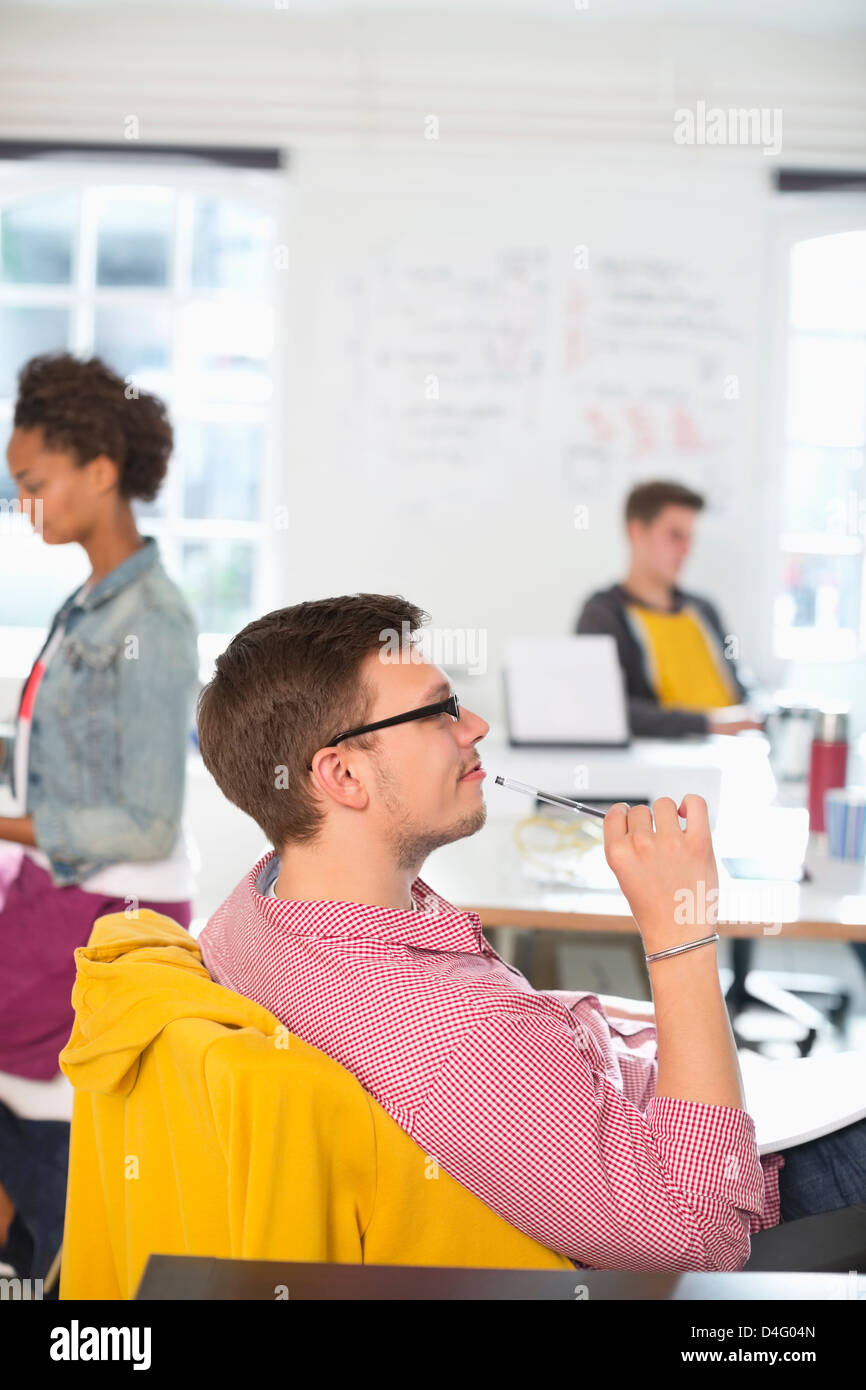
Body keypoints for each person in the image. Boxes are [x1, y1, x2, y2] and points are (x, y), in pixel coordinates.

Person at [192, 593, 862, 1272]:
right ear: (342, 773)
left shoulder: (255, 910)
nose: (475, 726)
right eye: (439, 711)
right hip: (757, 1195)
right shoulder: (452, 1035)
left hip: (659, 1108)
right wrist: (681, 931)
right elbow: (699, 1244)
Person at [0, 353, 200, 1282]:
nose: (25, 506)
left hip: (110, 918)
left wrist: (8, 826)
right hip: (58, 900)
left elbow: (147, 821)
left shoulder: (151, 619)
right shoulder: (87, 603)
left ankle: (69, 1289)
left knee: (55, 1146)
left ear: (100, 471)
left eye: (34, 485)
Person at [575, 479, 766, 738]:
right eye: (675, 536)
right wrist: (706, 724)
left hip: (738, 750)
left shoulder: (704, 609)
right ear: (636, 532)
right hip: (668, 762)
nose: (686, 550)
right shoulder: (603, 615)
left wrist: (755, 711)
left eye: (690, 538)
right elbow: (601, 707)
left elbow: (740, 684)